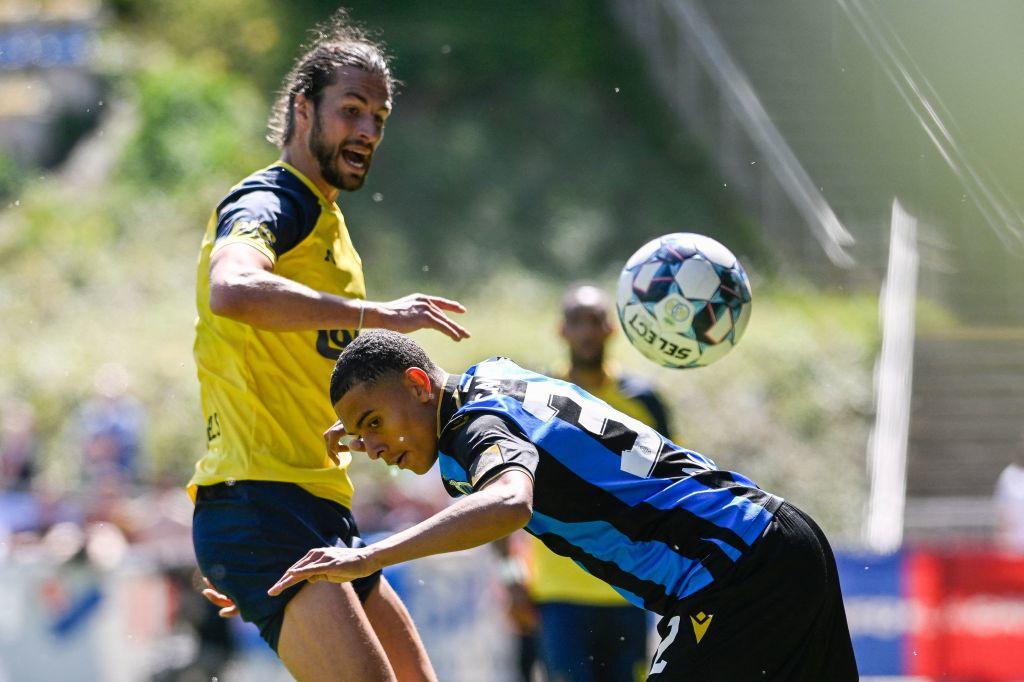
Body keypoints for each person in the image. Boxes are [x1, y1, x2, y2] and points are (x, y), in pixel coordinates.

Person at [268, 330, 859, 681]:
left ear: (421, 386)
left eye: (374, 425)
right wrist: (363, 426)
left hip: (730, 580)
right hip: (783, 540)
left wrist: (371, 556)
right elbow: (424, 399)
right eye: (361, 436)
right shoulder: (491, 377)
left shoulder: (474, 426)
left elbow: (508, 501)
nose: (373, 446)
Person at [190, 10, 468, 681]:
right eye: (351, 110)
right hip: (261, 505)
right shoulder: (272, 200)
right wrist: (380, 314)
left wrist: (349, 427)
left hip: (312, 509)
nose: (368, 131)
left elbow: (288, 361)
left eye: (379, 116)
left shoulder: (327, 222)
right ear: (302, 110)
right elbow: (231, 287)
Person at [509, 284, 672, 681]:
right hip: (558, 591)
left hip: (628, 587)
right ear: (561, 330)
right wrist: (509, 573)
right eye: (577, 321)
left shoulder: (643, 402)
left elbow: (670, 489)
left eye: (595, 321)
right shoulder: (533, 398)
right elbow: (503, 484)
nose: (586, 331)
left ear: (611, 329)